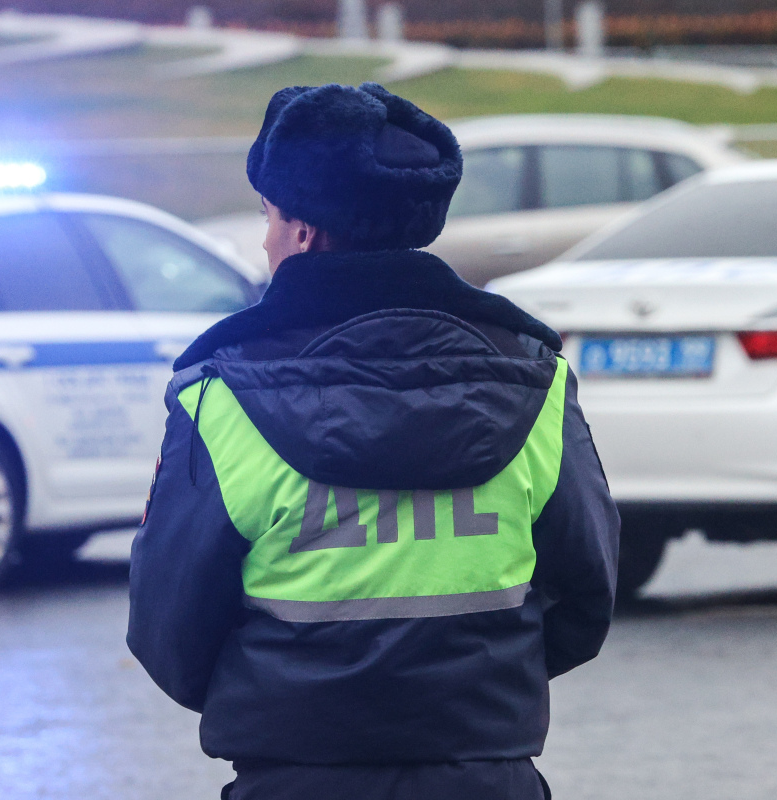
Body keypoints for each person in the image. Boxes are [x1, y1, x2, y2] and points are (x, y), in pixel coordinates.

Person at [128, 82, 619, 800]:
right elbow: (586, 599)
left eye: (268, 217)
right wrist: (466, 702)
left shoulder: (221, 395)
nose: (264, 239)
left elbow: (168, 630)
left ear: (302, 231)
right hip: (487, 777)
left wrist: (295, 711)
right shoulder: (535, 381)